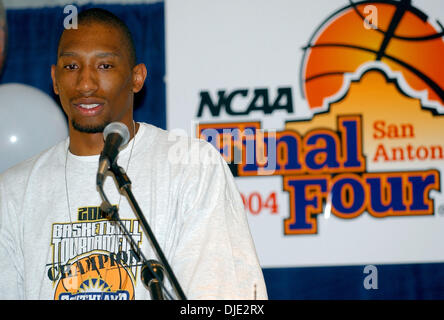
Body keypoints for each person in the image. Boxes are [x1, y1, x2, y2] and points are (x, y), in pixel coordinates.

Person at [0, 8, 267, 300]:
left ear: (137, 77)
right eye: (71, 67)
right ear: (54, 78)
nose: (86, 84)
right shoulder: (13, 191)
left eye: (104, 66)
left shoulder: (192, 167)